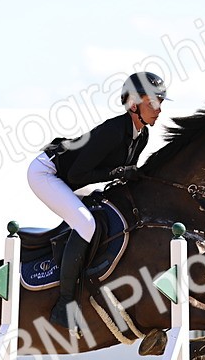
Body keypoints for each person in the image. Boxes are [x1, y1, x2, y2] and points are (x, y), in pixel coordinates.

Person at [28, 71, 167, 333]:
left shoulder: (142, 135)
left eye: (160, 102)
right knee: (86, 223)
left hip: (74, 180)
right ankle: (64, 306)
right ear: (134, 104)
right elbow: (77, 174)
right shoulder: (114, 130)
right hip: (47, 173)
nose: (158, 109)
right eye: (153, 102)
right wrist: (117, 173)